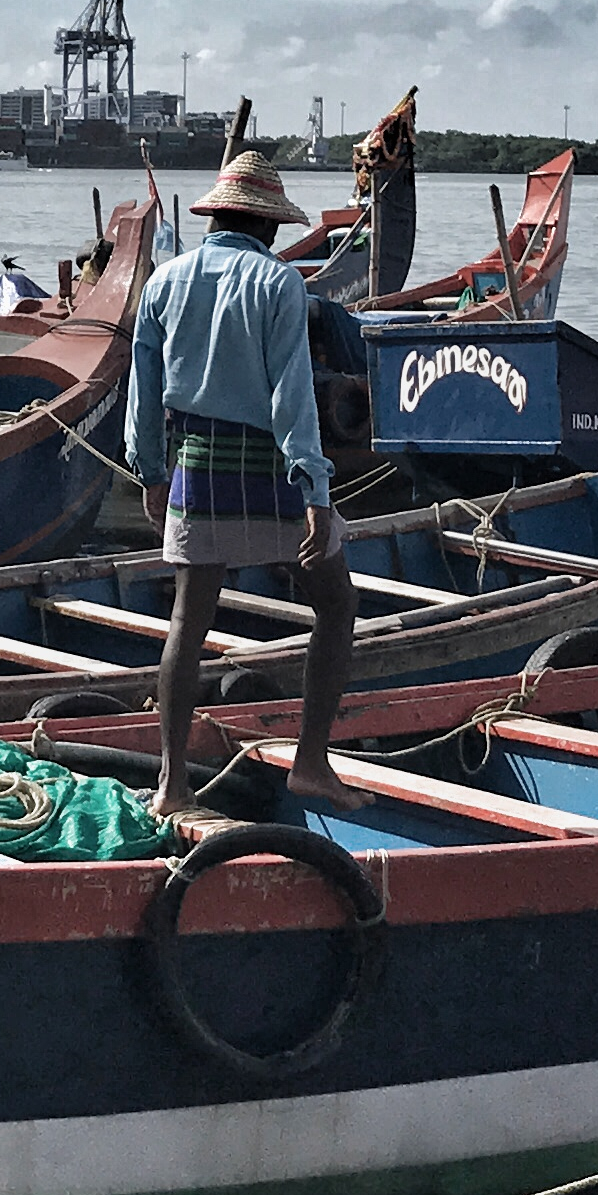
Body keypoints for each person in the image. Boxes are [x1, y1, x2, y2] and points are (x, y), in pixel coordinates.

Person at [127, 150, 355, 817]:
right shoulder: (279, 283)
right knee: (336, 607)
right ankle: (310, 764)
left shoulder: (164, 280)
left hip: (196, 463)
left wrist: (149, 472)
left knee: (187, 624)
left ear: (215, 217)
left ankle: (171, 785)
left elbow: (141, 391)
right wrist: (315, 490)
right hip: (270, 466)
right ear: (269, 227)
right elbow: (293, 397)